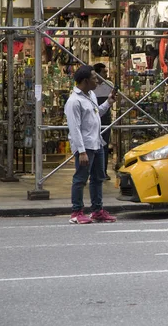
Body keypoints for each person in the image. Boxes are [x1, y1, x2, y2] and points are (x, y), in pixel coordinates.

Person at [65, 65, 117, 224]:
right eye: (94, 78)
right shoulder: (74, 101)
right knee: (80, 179)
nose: (97, 81)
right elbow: (74, 129)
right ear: (86, 81)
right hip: (85, 146)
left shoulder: (91, 95)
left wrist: (108, 103)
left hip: (97, 143)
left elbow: (96, 113)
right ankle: (76, 212)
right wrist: (81, 151)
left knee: (97, 178)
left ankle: (97, 210)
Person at [93, 63, 113, 180]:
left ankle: (103, 171)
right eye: (104, 72)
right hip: (94, 117)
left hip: (106, 118)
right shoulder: (91, 87)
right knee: (93, 145)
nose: (106, 74)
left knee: (104, 145)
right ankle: (92, 172)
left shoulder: (109, 85)